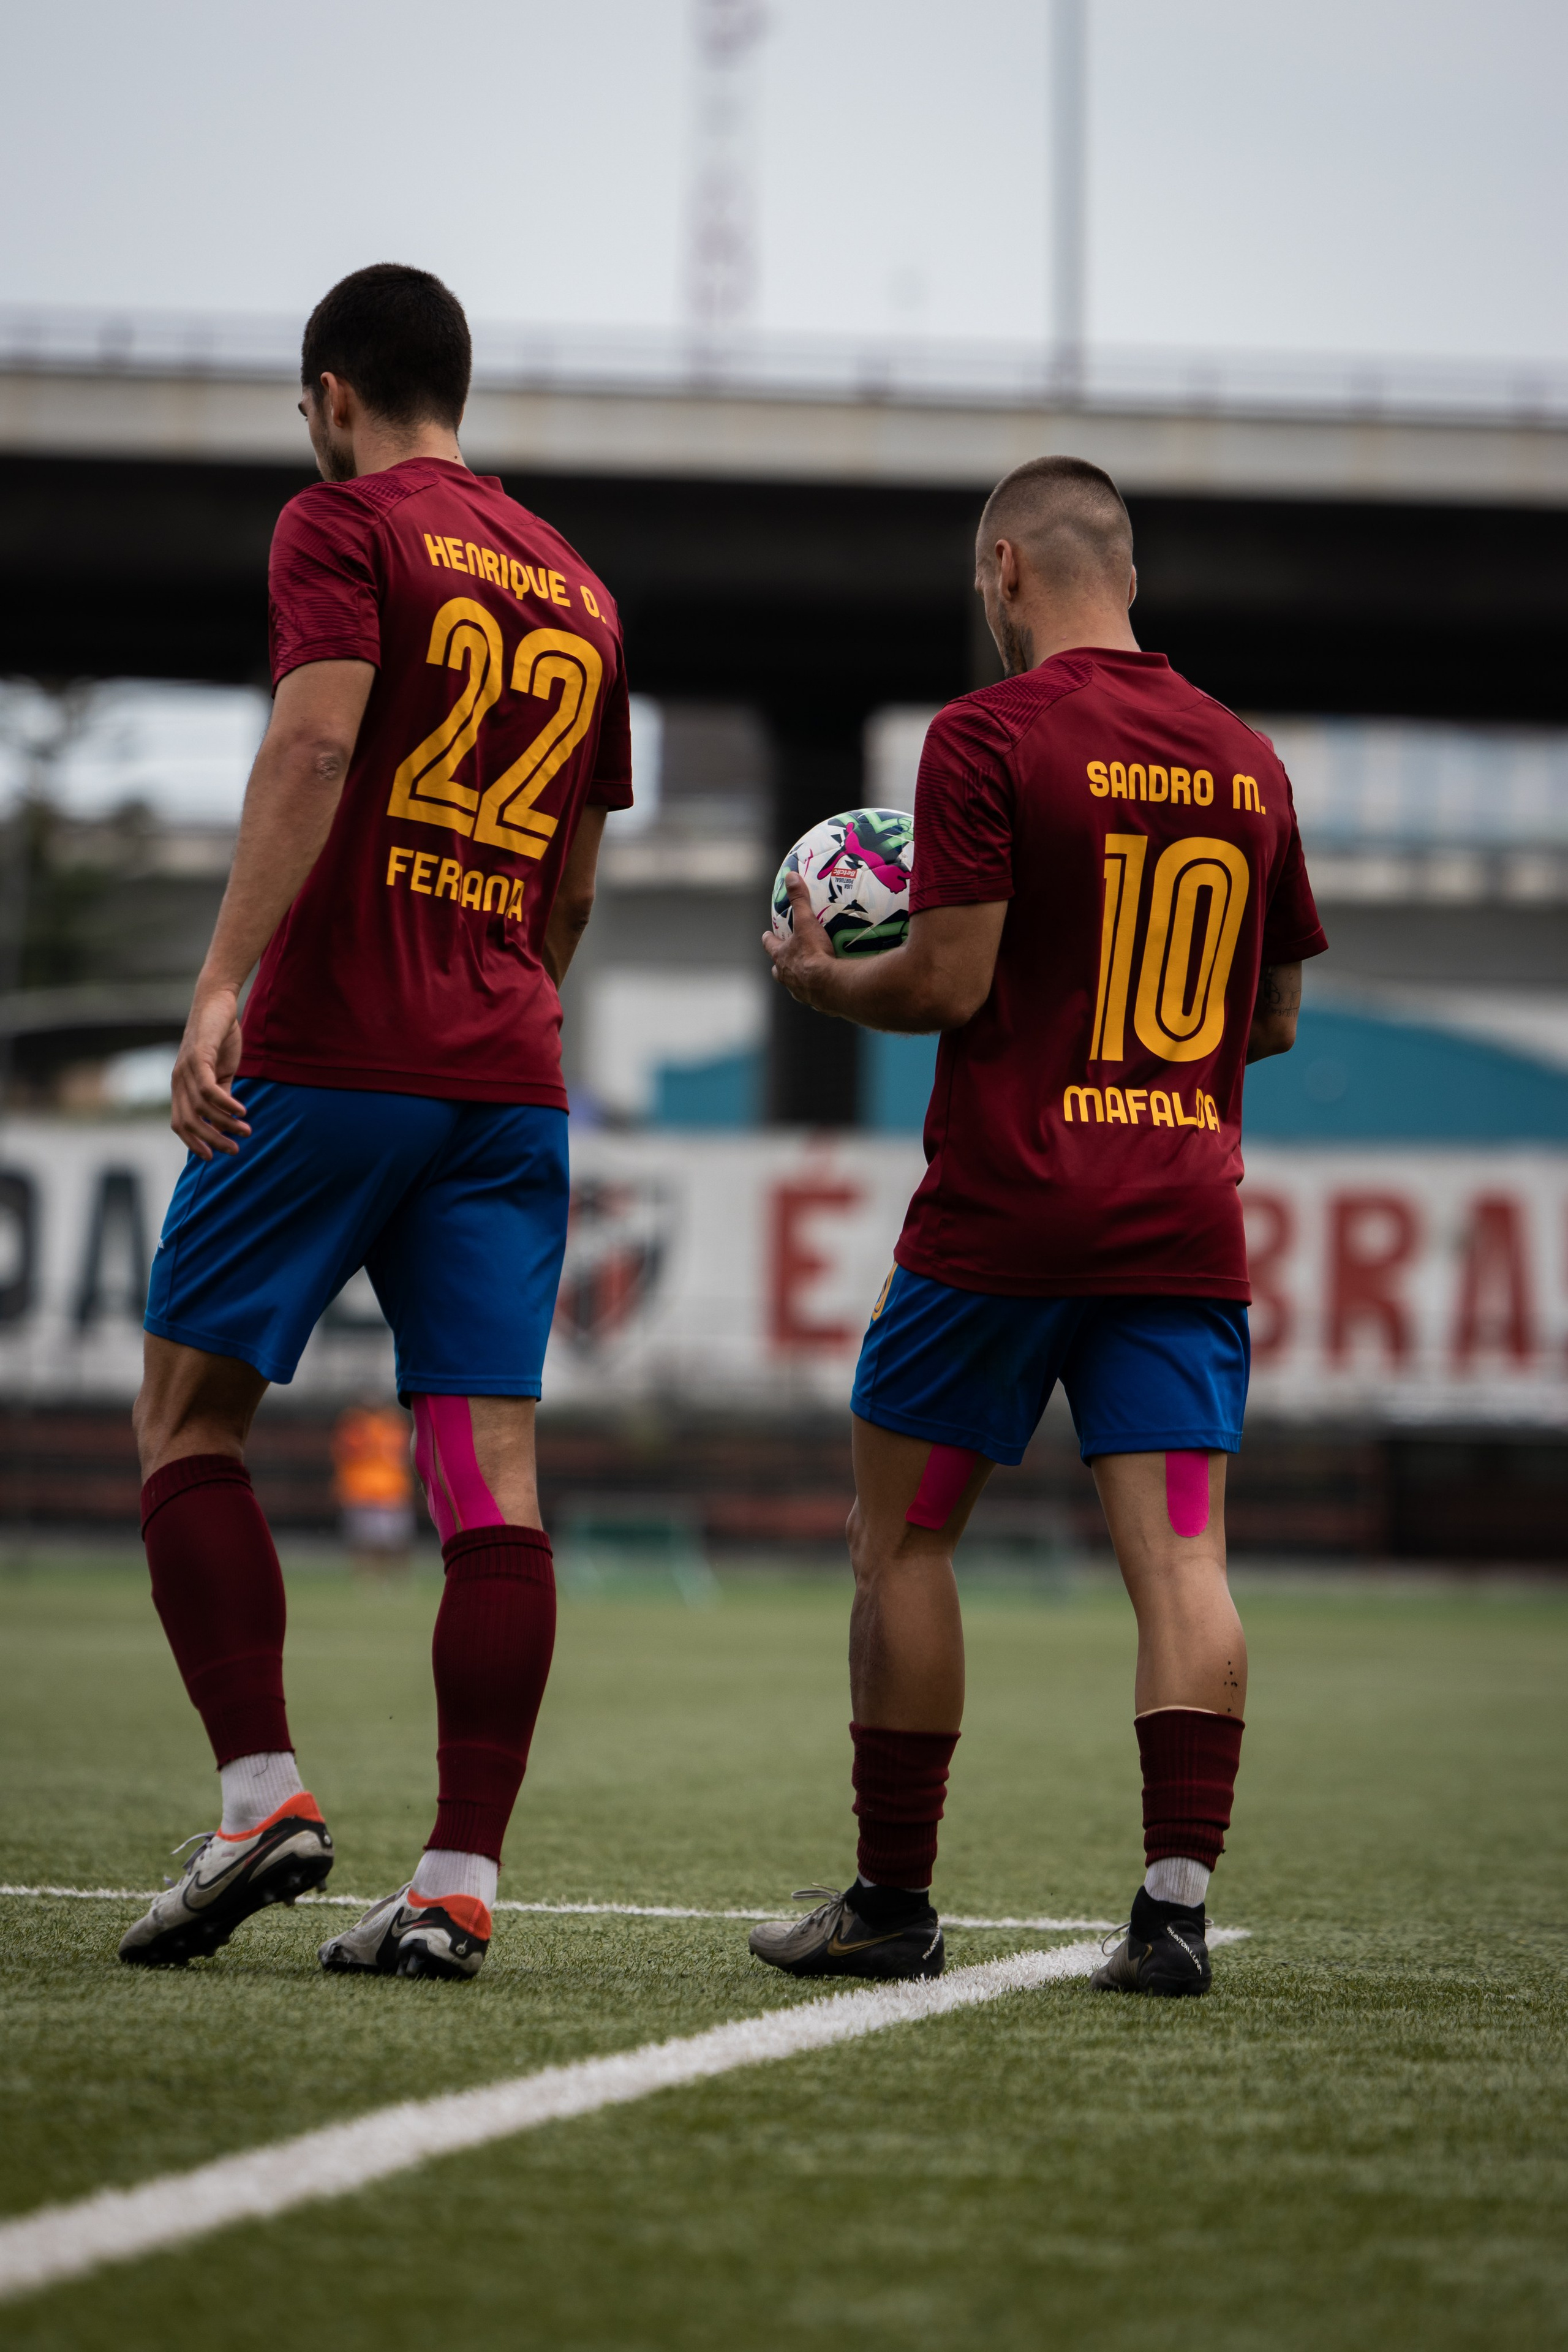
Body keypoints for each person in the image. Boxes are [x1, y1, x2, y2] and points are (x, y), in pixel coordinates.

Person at [751, 454, 1324, 1996]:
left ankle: (892, 1899)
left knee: (901, 1542)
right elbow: (1265, 1015)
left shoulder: (985, 733)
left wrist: (816, 979)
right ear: (1120, 572)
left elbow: (939, 982)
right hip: (1180, 1229)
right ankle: (1170, 1914)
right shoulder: (1244, 760)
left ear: (1004, 567)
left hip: (1001, 1224)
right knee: (1181, 1563)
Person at [119, 264, 632, 1981]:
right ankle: (460, 1879)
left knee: (187, 1422)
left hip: (338, 1051)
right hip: (506, 1072)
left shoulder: (341, 525)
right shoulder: (579, 589)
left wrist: (219, 985)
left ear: (335, 393)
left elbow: (315, 747)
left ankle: (261, 1793)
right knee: (491, 1481)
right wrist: (505, 1001)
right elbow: (570, 880)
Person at [332, 1400, 415, 1571]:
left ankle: (394, 1576)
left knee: (396, 1540)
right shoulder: (354, 1424)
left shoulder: (393, 1424)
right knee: (365, 1541)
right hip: (361, 1491)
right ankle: (369, 1578)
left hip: (391, 1491)